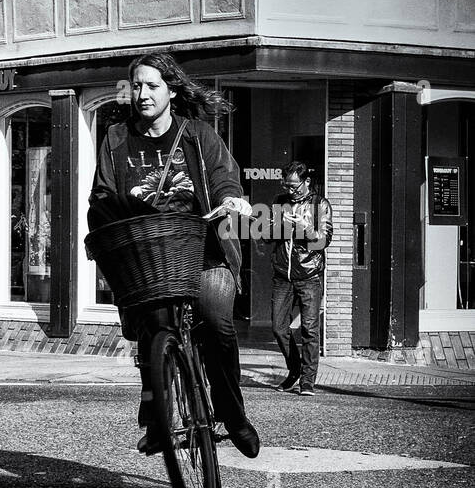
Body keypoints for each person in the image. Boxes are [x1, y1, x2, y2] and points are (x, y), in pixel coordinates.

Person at [89, 51, 259, 458]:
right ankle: (157, 419)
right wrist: (104, 219)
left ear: (171, 89)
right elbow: (103, 195)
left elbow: (222, 175)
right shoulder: (115, 138)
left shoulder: (197, 133)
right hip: (148, 253)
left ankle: (232, 414)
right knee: (151, 327)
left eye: (152, 85)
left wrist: (231, 199)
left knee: (217, 320)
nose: (142, 94)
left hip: (201, 249)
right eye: (137, 86)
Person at [269, 161, 331, 395]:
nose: (290, 190)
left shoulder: (320, 204)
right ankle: (294, 369)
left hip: (309, 274)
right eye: (287, 185)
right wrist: (272, 226)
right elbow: (269, 237)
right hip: (282, 275)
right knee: (278, 327)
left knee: (310, 329)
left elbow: (324, 240)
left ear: (306, 182)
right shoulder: (279, 201)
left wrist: (306, 228)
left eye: (294, 186)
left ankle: (307, 381)